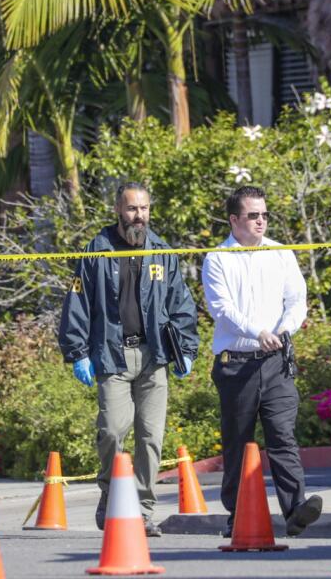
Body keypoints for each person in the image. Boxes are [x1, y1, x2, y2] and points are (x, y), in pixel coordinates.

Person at [59, 181, 199, 536]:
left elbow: (180, 303)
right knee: (112, 430)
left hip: (153, 357)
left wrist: (186, 348)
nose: (140, 216)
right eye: (133, 209)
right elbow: (77, 303)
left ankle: (143, 510)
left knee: (151, 436)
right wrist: (77, 353)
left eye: (145, 209)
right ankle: (109, 495)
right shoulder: (97, 251)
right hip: (111, 355)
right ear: (118, 211)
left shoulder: (162, 252)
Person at [202, 185, 323, 538]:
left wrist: (284, 329)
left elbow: (297, 299)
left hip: (275, 362)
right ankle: (236, 515)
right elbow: (222, 310)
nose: (261, 221)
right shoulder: (218, 259)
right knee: (238, 442)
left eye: (265, 215)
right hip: (236, 363)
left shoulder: (280, 253)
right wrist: (258, 331)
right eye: (253, 215)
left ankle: (296, 509)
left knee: (282, 435)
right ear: (234, 219)